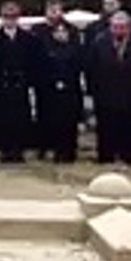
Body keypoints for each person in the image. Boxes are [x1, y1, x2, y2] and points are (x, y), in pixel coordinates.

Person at [87, 11, 131, 165]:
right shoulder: (99, 42)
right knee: (106, 128)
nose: (119, 30)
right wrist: (93, 91)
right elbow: (92, 68)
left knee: (130, 128)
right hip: (105, 93)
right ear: (110, 27)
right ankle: (106, 158)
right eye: (115, 27)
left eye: (122, 27)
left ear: (129, 28)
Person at [0, 0, 38, 163]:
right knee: (3, 118)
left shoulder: (28, 39)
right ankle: (5, 149)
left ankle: (18, 149)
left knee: (21, 118)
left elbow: (34, 63)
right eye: (7, 17)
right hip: (2, 85)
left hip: (21, 84)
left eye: (13, 17)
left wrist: (31, 82)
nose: (10, 20)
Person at [37, 21, 84, 163]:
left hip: (71, 92)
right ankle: (55, 151)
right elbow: (43, 71)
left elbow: (79, 69)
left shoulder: (75, 50)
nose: (61, 34)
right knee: (54, 123)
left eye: (63, 31)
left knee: (69, 123)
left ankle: (70, 152)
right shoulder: (47, 50)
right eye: (58, 31)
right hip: (52, 93)